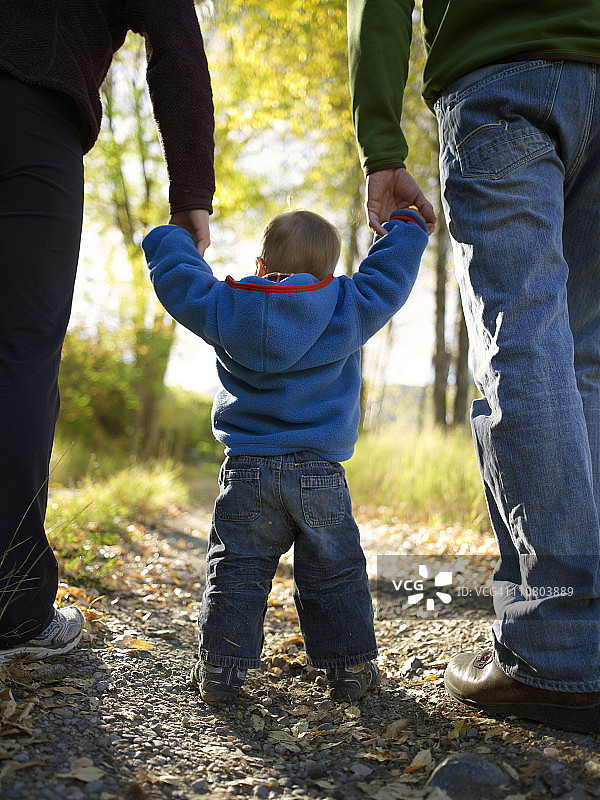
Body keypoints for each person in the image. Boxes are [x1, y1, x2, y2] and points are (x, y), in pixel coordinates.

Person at [347, 0, 600, 732]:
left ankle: (557, 646)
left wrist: (382, 149)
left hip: (501, 82)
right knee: (583, 358)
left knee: (520, 341)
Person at [0, 1, 215, 663]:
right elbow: (175, 44)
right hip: (31, 118)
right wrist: (191, 196)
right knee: (20, 353)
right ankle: (13, 611)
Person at [142, 208, 429, 704]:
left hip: (247, 470)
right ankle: (351, 671)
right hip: (319, 472)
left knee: (236, 569)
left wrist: (176, 238)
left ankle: (221, 671)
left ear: (259, 262)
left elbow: (179, 283)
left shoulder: (226, 305)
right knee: (334, 572)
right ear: (329, 271)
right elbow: (389, 278)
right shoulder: (345, 305)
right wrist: (404, 228)